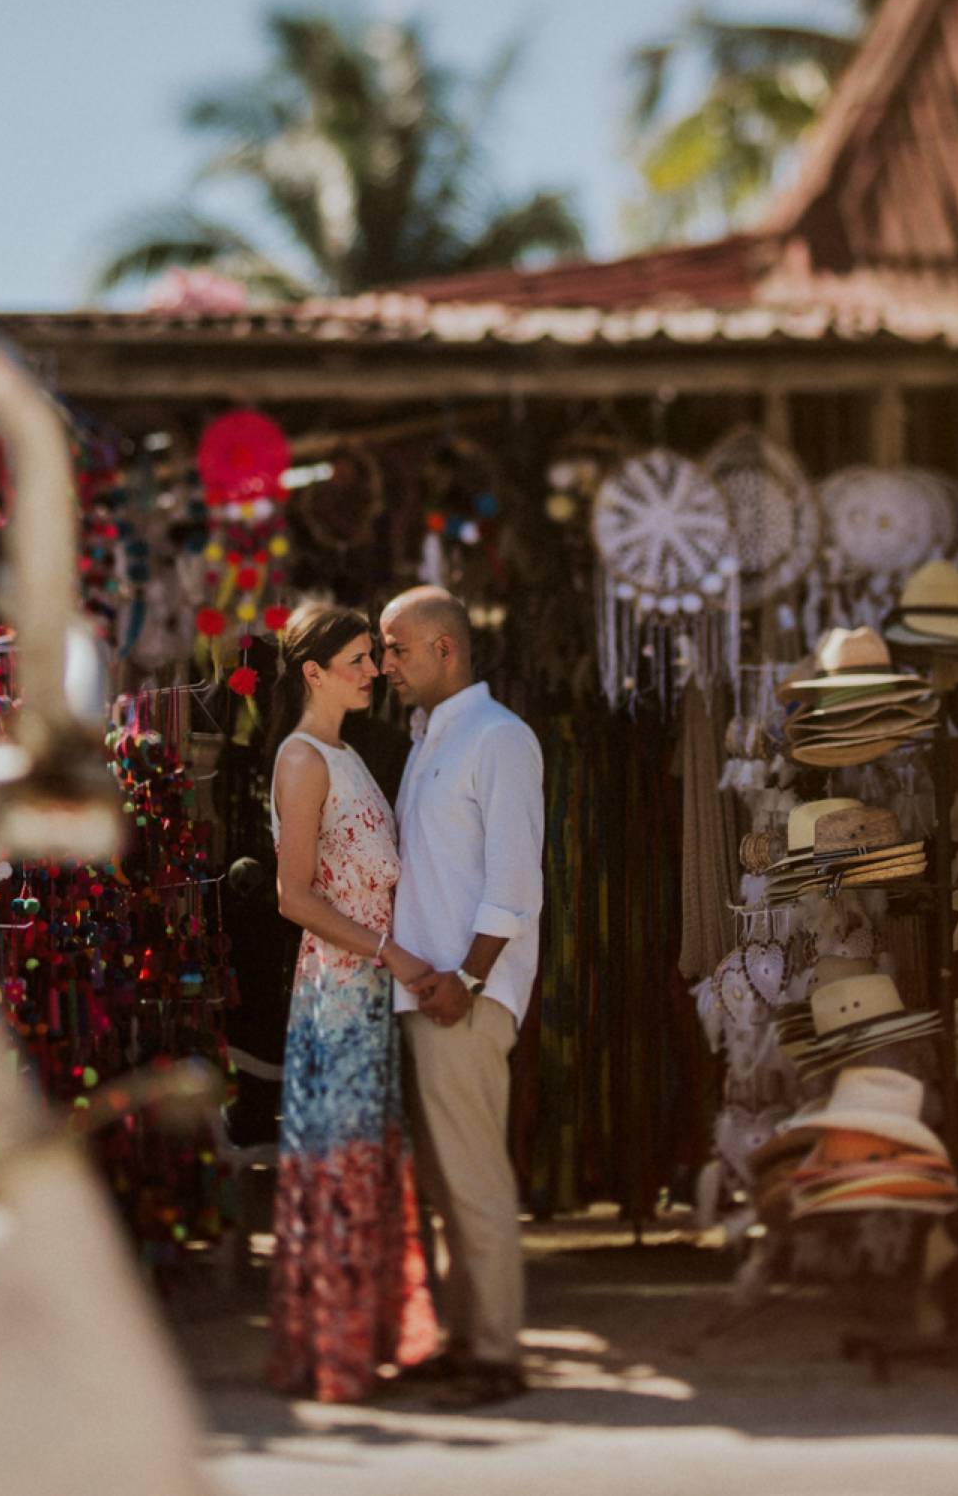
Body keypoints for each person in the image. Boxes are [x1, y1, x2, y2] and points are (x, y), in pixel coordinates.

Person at [262, 602, 444, 1402]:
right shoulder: (304, 760)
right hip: (339, 990)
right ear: (313, 673)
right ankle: (334, 1355)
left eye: (376, 657)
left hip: (369, 990)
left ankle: (357, 1343)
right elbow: (292, 897)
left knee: (365, 1163)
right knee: (340, 1165)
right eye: (360, 660)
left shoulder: (347, 755)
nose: (377, 671)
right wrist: (391, 952)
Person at [377, 584, 545, 1408]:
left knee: (473, 1177)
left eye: (397, 649)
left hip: (466, 996)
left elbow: (516, 883)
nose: (385, 666)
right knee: (443, 1181)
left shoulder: (499, 738)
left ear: (446, 648)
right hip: (430, 992)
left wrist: (469, 979)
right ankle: (464, 1338)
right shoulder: (428, 740)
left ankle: (497, 1354)